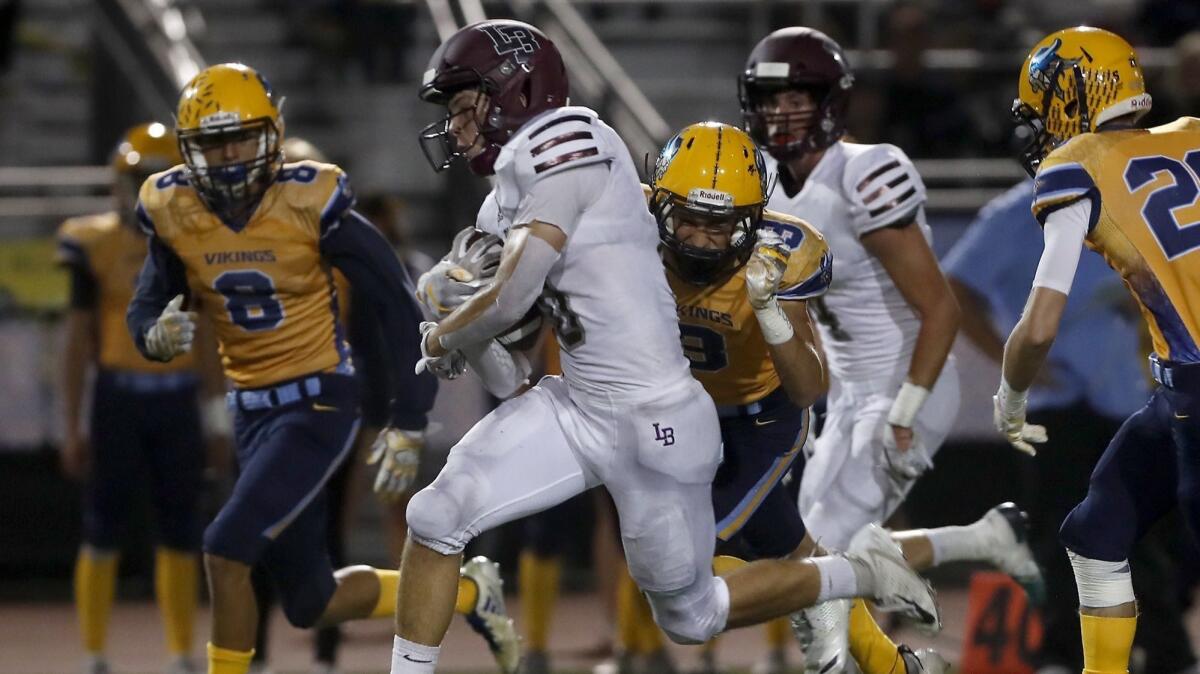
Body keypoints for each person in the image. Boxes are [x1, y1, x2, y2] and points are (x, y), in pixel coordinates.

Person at [390, 19, 940, 674]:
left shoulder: (574, 146)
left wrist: (446, 329)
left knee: (692, 613)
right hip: (580, 405)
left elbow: (507, 300)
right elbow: (509, 375)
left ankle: (856, 575)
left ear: (513, 94)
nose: (702, 239)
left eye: (462, 107)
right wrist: (458, 310)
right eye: (688, 219)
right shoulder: (508, 202)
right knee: (435, 513)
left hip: (669, 421)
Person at [124, 62, 517, 674]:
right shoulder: (173, 207)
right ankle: (470, 591)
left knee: (226, 550)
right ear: (187, 151)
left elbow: (394, 302)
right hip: (249, 408)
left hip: (318, 402)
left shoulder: (309, 197)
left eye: (240, 139)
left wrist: (408, 418)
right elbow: (149, 302)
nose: (228, 158)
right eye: (212, 144)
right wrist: (153, 334)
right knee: (310, 600)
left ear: (272, 134)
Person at [738, 27, 1041, 673]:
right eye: (770, 99)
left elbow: (941, 307)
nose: (781, 112)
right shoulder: (765, 181)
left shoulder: (867, 171)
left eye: (798, 97)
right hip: (845, 391)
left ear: (831, 101)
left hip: (906, 384)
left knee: (818, 565)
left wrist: (907, 406)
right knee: (801, 559)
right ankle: (981, 542)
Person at [998, 25, 1200, 674]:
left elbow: (1038, 325)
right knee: (1095, 530)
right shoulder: (1194, 132)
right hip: (1175, 392)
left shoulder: (1076, 164)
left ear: (1070, 96)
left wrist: (1011, 393)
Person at [945, 180, 1198, 674]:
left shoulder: (1115, 196)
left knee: (1146, 536)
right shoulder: (1017, 210)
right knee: (1062, 536)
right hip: (1057, 403)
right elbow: (956, 287)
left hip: (1125, 396)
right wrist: (1012, 359)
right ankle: (1065, 652)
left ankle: (1165, 652)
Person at [57, 122, 222, 674]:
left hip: (175, 400)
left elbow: (205, 341)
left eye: (158, 178)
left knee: (180, 530)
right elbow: (79, 340)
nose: (147, 189)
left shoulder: (195, 245)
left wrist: (217, 418)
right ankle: (94, 653)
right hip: (118, 400)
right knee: (101, 528)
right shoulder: (95, 242)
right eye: (139, 178)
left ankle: (180, 652)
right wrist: (71, 423)